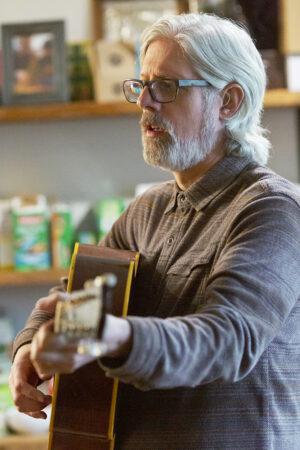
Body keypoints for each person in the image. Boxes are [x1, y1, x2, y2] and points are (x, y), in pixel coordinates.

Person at [9, 13, 300, 450]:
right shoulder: (149, 209)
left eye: (166, 86)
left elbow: (226, 340)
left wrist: (112, 335)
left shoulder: (271, 210)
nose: (145, 101)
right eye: (141, 85)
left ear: (229, 102)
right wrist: (28, 351)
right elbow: (73, 295)